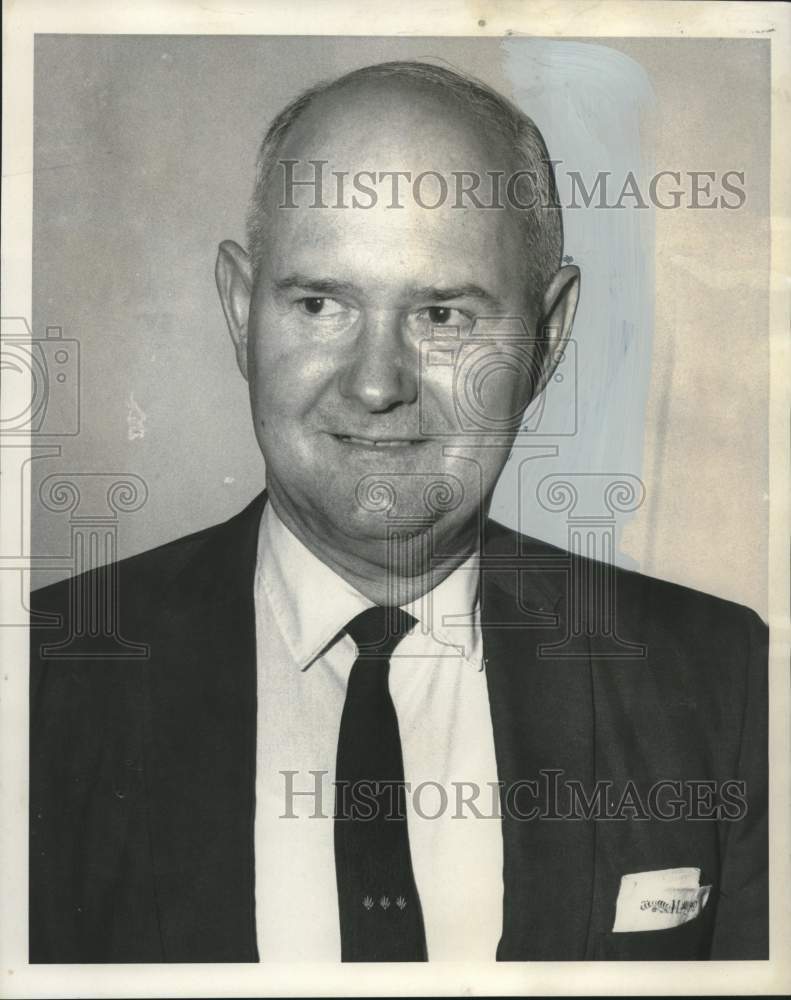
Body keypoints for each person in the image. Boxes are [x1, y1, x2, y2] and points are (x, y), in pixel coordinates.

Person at [29, 60, 768, 963]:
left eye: (444, 316)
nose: (377, 384)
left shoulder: (724, 683)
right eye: (319, 303)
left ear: (549, 336)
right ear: (238, 310)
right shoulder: (39, 683)